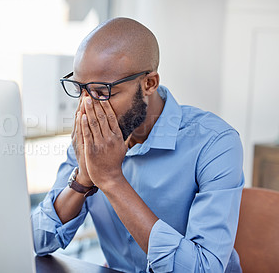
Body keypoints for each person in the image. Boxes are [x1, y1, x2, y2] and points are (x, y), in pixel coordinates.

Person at [31, 17, 244, 273]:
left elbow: (203, 269)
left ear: (149, 84)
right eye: (80, 90)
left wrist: (110, 179)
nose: (86, 108)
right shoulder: (93, 137)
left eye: (102, 92)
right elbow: (37, 241)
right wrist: (83, 180)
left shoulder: (215, 143)